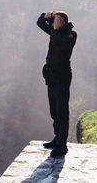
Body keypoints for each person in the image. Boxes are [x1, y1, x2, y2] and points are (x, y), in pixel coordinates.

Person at [36, 11, 77, 158]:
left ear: (64, 22)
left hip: (62, 78)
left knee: (62, 111)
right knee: (54, 110)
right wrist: (45, 17)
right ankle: (57, 138)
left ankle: (62, 146)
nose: (55, 23)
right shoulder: (55, 32)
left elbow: (59, 46)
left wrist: (54, 29)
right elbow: (40, 24)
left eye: (58, 20)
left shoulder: (70, 34)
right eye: (55, 20)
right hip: (51, 76)